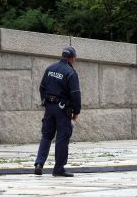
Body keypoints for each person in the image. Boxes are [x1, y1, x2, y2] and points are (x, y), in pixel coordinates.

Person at [34, 46, 81, 177]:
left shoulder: (50, 69)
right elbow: (75, 94)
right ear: (72, 58)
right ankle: (58, 169)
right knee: (62, 137)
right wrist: (76, 111)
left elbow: (42, 87)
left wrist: (45, 101)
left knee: (46, 135)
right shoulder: (70, 72)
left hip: (49, 107)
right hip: (62, 109)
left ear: (62, 56)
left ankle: (39, 163)